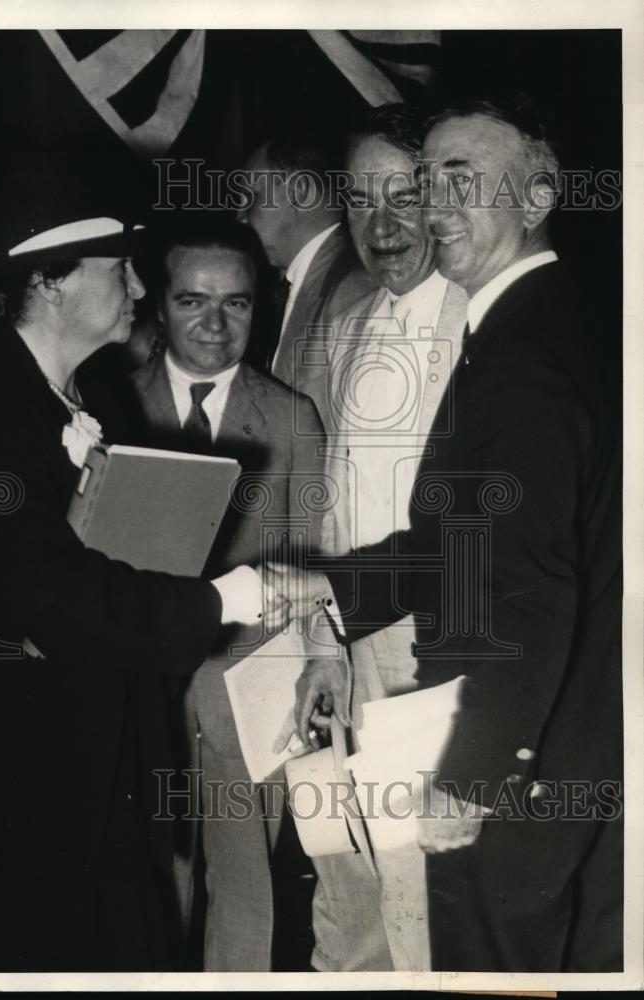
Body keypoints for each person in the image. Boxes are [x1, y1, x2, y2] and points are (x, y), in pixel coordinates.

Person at [265, 94, 622, 972]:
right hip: (476, 699)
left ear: (536, 197)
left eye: (457, 179)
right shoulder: (510, 325)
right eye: (426, 181)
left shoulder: (525, 351)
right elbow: (472, 538)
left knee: (470, 948)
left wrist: (471, 770)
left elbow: (525, 585)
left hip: (497, 716)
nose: (427, 208)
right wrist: (333, 594)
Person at [0, 172, 267, 973]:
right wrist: (230, 596)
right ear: (49, 283)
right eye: (117, 267)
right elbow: (48, 597)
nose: (140, 286)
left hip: (85, 769)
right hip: (17, 790)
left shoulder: (76, 397)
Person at [280, 104, 467, 973]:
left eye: (403, 195)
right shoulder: (348, 324)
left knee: (417, 896)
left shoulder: (477, 327)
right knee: (342, 882)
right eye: (359, 200)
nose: (380, 224)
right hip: (344, 649)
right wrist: (321, 646)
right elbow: (327, 504)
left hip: (432, 653)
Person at [128, 217, 326, 971]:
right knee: (152, 880)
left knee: (247, 886)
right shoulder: (111, 406)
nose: (214, 324)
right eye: (192, 301)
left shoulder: (290, 418)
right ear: (157, 305)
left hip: (250, 687)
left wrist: (314, 662)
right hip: (143, 688)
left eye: (236, 304)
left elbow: (309, 559)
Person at [237, 125, 374, 400]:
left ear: (300, 191)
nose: (240, 217)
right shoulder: (305, 282)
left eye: (251, 198)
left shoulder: (353, 291)